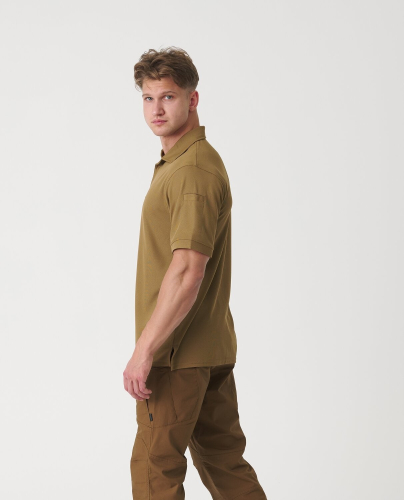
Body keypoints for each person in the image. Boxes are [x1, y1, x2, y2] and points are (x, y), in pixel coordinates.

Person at [123, 46, 268, 500]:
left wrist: (145, 349)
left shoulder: (191, 171)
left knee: (154, 470)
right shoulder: (185, 164)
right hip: (206, 346)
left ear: (193, 99)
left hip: (178, 354)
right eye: (148, 98)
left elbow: (187, 271)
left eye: (168, 96)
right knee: (225, 465)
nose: (157, 109)